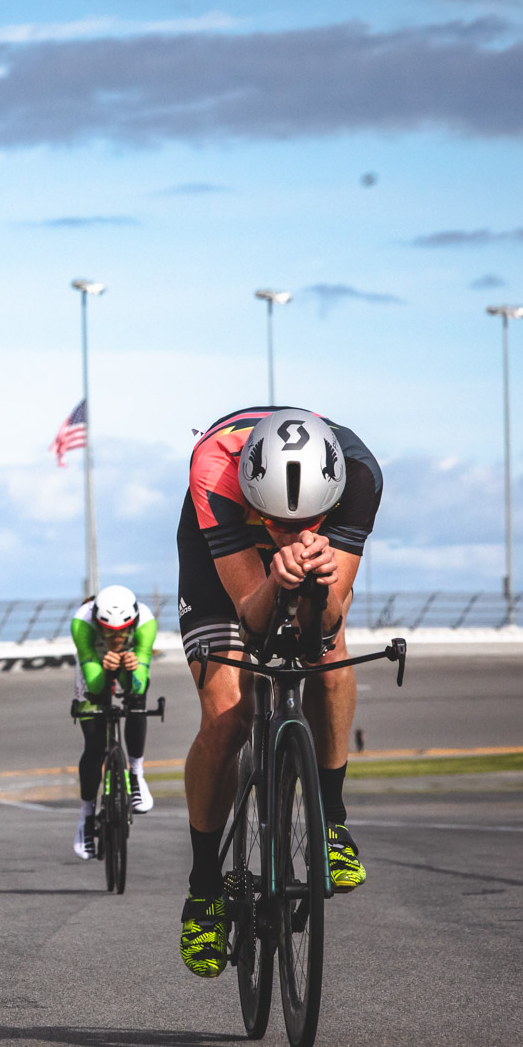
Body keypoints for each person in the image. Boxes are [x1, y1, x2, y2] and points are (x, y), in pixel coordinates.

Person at [174, 407, 382, 978]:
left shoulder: (360, 477)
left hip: (289, 533)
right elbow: (250, 617)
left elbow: (329, 622)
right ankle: (203, 891)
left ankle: (332, 822)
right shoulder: (215, 472)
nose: (298, 535)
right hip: (227, 554)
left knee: (331, 660)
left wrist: (316, 582)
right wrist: (276, 578)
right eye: (282, 523)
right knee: (226, 715)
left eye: (311, 522)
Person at [69, 584, 159, 859]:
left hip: (130, 661)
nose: (115, 637)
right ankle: (85, 817)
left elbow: (139, 684)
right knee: (95, 745)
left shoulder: (146, 623)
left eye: (121, 631)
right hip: (94, 663)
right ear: (98, 623)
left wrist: (131, 671)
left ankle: (135, 773)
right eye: (108, 630)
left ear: (132, 623)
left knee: (136, 702)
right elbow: (94, 685)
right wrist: (106, 668)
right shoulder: (81, 624)